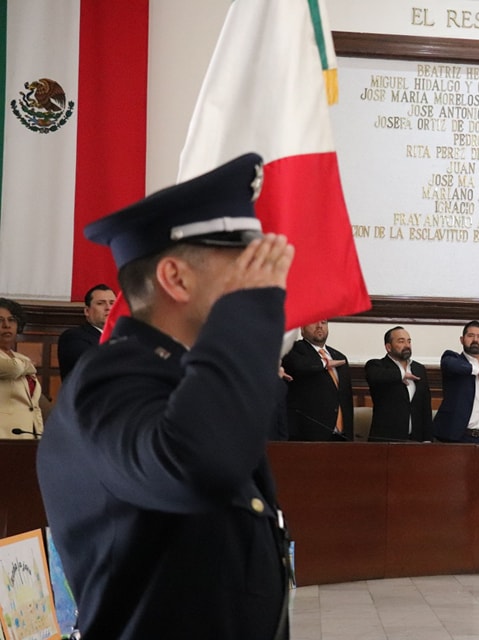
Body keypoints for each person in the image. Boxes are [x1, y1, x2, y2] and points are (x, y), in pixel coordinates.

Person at [36, 153, 293, 639]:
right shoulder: (107, 380)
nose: (268, 278)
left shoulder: (179, 377)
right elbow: (195, 465)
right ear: (175, 278)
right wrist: (250, 312)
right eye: (246, 264)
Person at [433, 321, 479, 444]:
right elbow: (450, 365)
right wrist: (477, 370)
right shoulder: (452, 359)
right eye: (470, 335)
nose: (475, 340)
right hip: (457, 438)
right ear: (462, 340)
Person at [282, 319, 354, 441]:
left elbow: (346, 397)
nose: (319, 326)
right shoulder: (293, 350)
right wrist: (325, 363)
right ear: (302, 328)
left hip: (341, 435)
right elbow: (299, 366)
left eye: (324, 323)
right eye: (314, 322)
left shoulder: (339, 357)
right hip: (307, 435)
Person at [364, 326, 433, 442]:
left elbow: (425, 407)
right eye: (401, 341)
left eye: (409, 341)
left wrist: (427, 439)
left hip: (416, 440)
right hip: (386, 441)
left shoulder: (418, 369)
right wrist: (402, 374)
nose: (407, 345)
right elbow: (374, 376)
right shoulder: (376, 366)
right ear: (388, 347)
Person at [0, 297, 44, 439]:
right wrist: (29, 365)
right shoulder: (24, 362)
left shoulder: (21, 358)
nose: (6, 325)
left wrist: (40, 435)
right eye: (0, 320)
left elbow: (33, 406)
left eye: (11, 320)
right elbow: (14, 369)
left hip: (27, 437)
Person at [57, 283, 117, 380]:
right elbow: (94, 367)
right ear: (87, 311)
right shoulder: (73, 337)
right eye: (100, 303)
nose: (108, 308)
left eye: (112, 303)